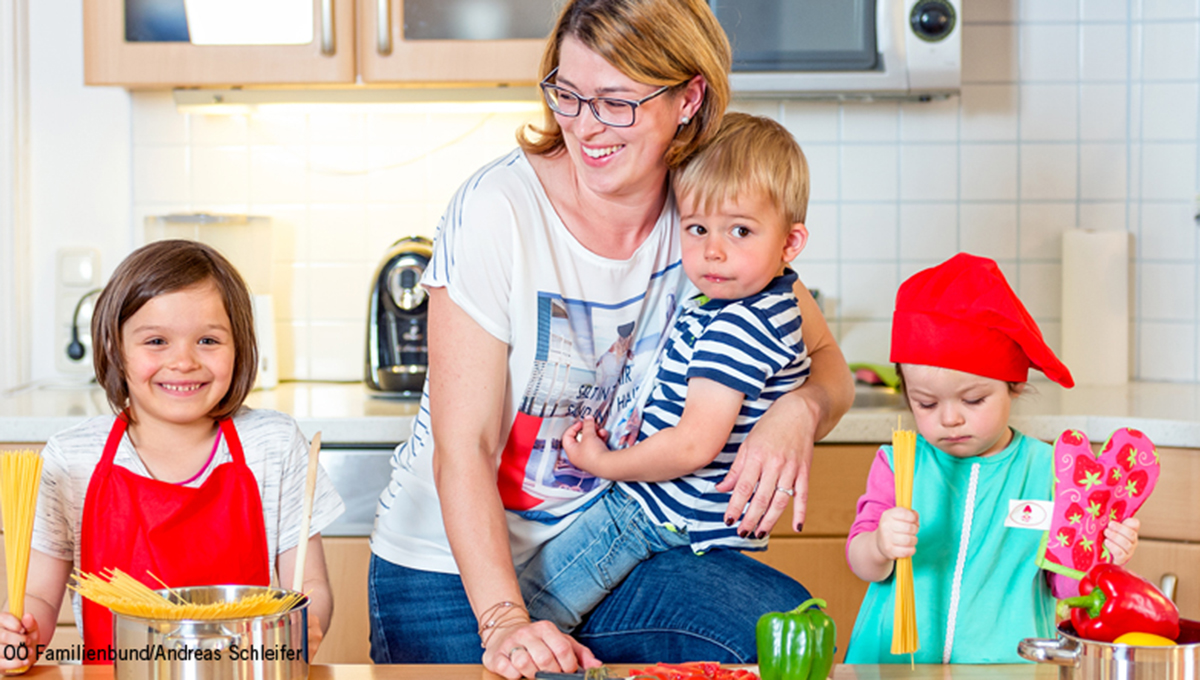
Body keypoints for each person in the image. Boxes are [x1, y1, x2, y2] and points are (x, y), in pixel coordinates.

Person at [367, 0, 855, 678]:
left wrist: (798, 411)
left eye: (616, 102)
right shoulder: (497, 212)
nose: (585, 127)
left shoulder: (704, 212)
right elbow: (465, 447)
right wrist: (506, 620)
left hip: (616, 545)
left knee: (786, 641)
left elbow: (829, 363)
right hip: (450, 572)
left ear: (689, 97)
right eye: (568, 95)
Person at [519, 112, 814, 633]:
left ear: (791, 243)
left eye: (740, 231)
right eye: (697, 228)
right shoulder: (773, 298)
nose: (713, 250)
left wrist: (603, 462)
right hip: (685, 517)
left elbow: (693, 445)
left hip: (649, 514)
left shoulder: (737, 324)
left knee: (536, 608)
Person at [0, 240, 343, 669]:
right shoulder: (72, 459)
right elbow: (37, 597)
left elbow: (310, 582)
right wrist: (21, 636)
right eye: (157, 341)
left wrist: (308, 623)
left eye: (208, 340)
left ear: (240, 346)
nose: (183, 362)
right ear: (115, 348)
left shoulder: (273, 445)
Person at [843, 253, 1141, 664]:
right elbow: (862, 564)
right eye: (925, 403)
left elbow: (1067, 589)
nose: (950, 418)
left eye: (974, 399)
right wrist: (878, 545)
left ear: (1014, 386)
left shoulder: (1051, 472)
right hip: (895, 666)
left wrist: (1100, 555)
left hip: (1008, 667)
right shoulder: (899, 463)